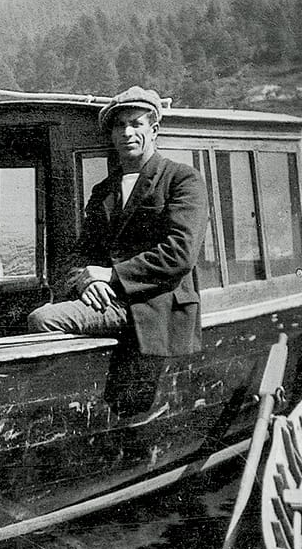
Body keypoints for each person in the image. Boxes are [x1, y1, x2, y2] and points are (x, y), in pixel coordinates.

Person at [27, 86, 209, 356]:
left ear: (154, 130)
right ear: (112, 134)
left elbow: (180, 254)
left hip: (158, 305)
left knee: (42, 320)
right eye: (120, 126)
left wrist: (112, 275)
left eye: (136, 124)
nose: (127, 133)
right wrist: (86, 282)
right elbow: (82, 252)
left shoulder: (181, 179)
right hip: (112, 300)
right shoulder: (104, 190)